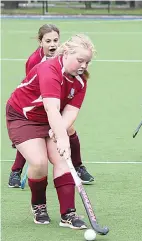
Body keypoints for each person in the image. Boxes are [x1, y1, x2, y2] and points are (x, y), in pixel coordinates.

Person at [6, 34, 95, 228]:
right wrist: (62, 137)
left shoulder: (80, 81)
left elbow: (71, 110)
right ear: (66, 53)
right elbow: (51, 108)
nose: (83, 66)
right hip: (23, 116)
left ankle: (68, 214)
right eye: (80, 60)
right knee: (38, 162)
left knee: (63, 160)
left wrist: (60, 129)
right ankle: (38, 205)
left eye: (87, 62)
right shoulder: (49, 69)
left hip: (50, 118)